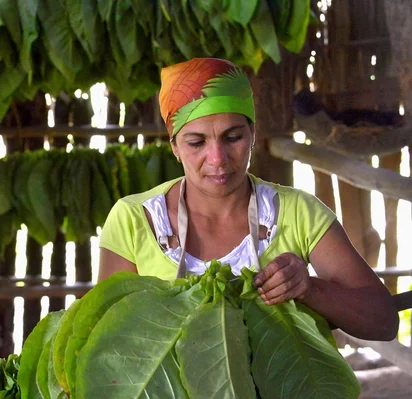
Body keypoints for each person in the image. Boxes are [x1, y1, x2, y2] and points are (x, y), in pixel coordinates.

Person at [98, 58, 398, 341]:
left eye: (233, 138)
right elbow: (104, 337)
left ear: (253, 133)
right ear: (174, 146)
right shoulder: (135, 219)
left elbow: (384, 321)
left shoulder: (298, 213)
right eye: (196, 142)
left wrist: (311, 289)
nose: (218, 159)